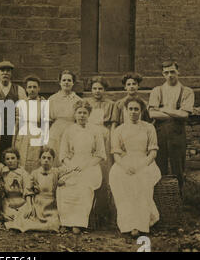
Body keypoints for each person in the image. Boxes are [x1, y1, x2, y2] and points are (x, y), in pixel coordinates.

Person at [109, 98, 161, 237]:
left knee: (141, 179)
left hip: (146, 162)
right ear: (126, 110)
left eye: (136, 109)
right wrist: (125, 166)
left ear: (141, 111)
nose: (133, 112)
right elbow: (116, 154)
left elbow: (153, 152)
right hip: (125, 162)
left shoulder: (149, 127)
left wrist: (141, 165)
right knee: (117, 176)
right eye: (130, 109)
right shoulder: (119, 130)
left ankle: (140, 224)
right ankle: (127, 223)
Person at [0, 60, 27, 223]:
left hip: (13, 126)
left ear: (11, 74)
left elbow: (23, 110)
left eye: (8, 71)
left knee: (13, 153)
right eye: (2, 71)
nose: (5, 73)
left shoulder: (19, 90)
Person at [57, 100, 105, 234]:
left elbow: (100, 155)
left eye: (85, 113)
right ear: (75, 114)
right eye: (79, 112)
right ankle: (66, 221)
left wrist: (86, 165)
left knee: (84, 186)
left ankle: (78, 223)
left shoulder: (95, 130)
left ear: (89, 114)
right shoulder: (69, 130)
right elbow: (63, 154)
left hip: (90, 165)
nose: (82, 115)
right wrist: (71, 165)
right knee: (64, 186)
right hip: (72, 165)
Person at [148, 61, 194, 192]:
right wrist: (175, 113)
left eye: (172, 71)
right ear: (163, 74)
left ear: (178, 72)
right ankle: (160, 198)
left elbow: (185, 115)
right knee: (159, 166)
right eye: (166, 72)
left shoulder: (187, 91)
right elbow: (152, 113)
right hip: (160, 132)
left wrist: (163, 109)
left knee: (177, 167)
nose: (170, 75)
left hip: (177, 133)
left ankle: (177, 199)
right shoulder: (157, 91)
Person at [7, 147, 72, 233]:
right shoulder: (35, 173)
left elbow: (70, 171)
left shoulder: (56, 172)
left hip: (51, 205)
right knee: (25, 220)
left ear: (53, 160)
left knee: (53, 224)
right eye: (43, 157)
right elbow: (28, 190)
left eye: (49, 158)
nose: (46, 160)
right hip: (37, 203)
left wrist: (63, 180)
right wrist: (30, 206)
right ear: (39, 159)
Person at [86, 76, 115, 228]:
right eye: (94, 88)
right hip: (88, 137)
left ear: (104, 90)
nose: (97, 91)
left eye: (100, 88)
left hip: (104, 138)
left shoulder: (110, 105)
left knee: (104, 173)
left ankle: (103, 211)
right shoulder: (86, 103)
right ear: (91, 90)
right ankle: (88, 211)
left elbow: (112, 124)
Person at [0, 148, 33, 231]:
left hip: (22, 202)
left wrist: (29, 206)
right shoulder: (4, 171)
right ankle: (2, 216)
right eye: (7, 159)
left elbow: (28, 190)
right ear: (5, 161)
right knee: (10, 218)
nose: (10, 161)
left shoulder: (23, 173)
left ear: (18, 159)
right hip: (8, 203)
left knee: (24, 219)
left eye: (13, 158)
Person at [13, 75, 47, 173]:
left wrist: (45, 142)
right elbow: (16, 124)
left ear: (39, 88)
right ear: (26, 89)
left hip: (37, 135)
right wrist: (14, 141)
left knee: (35, 161)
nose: (32, 90)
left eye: (34, 87)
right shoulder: (20, 103)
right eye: (29, 87)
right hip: (22, 136)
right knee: (22, 160)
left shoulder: (43, 103)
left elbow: (45, 125)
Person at [48, 70, 82, 166]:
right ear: (60, 82)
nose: (66, 82)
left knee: (69, 154)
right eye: (64, 80)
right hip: (56, 130)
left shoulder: (78, 100)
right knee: (55, 153)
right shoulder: (52, 99)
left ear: (73, 83)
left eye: (69, 80)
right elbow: (48, 120)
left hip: (72, 129)